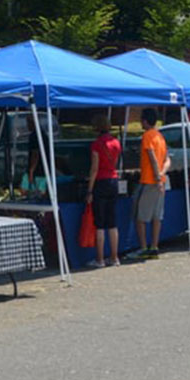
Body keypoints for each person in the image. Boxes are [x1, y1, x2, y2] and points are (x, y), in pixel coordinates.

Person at [85, 114, 122, 268]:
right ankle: (114, 257)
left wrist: (89, 190)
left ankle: (99, 259)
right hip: (114, 180)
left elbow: (94, 169)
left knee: (99, 223)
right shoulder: (116, 142)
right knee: (112, 222)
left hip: (100, 182)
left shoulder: (96, 145)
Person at [134, 108, 170, 259]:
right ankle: (154, 246)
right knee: (157, 216)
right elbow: (168, 159)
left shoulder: (147, 136)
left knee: (140, 217)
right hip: (160, 180)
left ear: (145, 121)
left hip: (149, 181)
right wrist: (162, 174)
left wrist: (156, 176)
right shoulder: (160, 136)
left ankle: (143, 248)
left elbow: (152, 157)